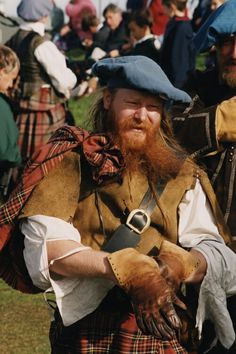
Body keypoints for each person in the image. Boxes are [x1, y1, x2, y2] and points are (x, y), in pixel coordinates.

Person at [0, 55, 235, 353]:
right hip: (89, 329)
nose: (142, 115)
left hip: (160, 331)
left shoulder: (182, 173)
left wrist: (184, 264)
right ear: (108, 99)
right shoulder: (72, 162)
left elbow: (218, 253)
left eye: (152, 108)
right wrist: (125, 268)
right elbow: (46, 248)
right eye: (133, 103)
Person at [171, 0, 236, 352]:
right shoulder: (199, 90)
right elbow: (167, 133)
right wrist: (219, 121)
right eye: (226, 40)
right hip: (211, 263)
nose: (235, 52)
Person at [6, 0, 77, 168]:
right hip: (43, 114)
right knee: (45, 163)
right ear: (44, 15)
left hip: (19, 112)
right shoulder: (42, 44)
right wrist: (74, 77)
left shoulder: (13, 39)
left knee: (21, 161)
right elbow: (64, 81)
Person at [0, 45, 21, 203]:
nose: (10, 85)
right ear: (2, 72)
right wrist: (16, 159)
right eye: (11, 78)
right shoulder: (1, 106)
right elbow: (6, 152)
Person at [161, 0, 196, 88]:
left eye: (164, 7)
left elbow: (180, 59)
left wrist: (177, 85)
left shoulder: (182, 27)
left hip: (177, 82)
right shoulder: (174, 23)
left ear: (172, 6)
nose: (163, 10)